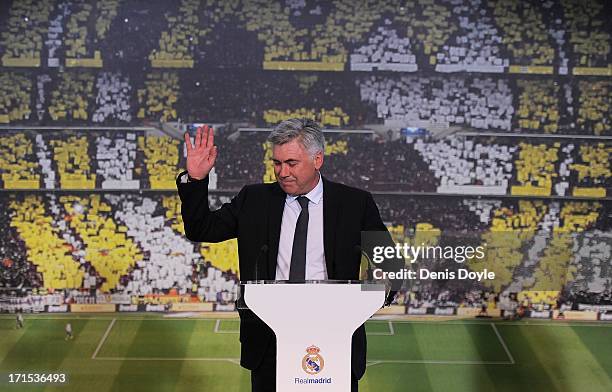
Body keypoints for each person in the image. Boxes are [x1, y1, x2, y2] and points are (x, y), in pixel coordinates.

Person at [177, 119, 399, 392]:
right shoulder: (254, 199)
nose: (282, 172)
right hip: (270, 341)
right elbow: (201, 228)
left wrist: (380, 288)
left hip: (336, 338)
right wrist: (196, 180)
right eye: (277, 163)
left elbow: (390, 262)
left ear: (317, 159)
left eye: (291, 163)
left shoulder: (355, 203)